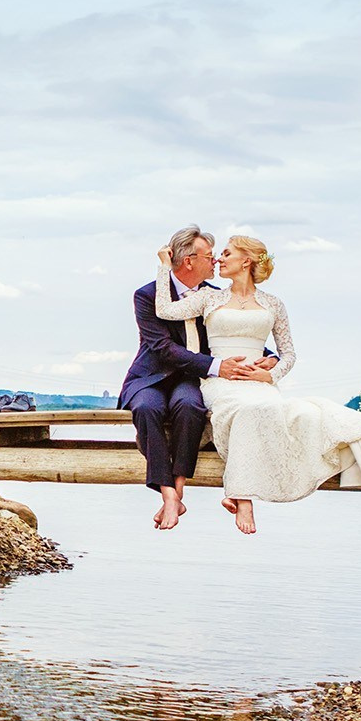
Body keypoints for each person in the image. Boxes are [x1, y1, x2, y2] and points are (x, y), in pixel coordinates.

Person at [151, 235, 361, 534]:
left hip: (259, 383)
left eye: (227, 254)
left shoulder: (273, 304)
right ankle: (242, 498)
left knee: (293, 413)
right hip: (220, 381)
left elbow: (288, 353)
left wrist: (271, 374)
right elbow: (164, 310)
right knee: (244, 409)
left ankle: (241, 491)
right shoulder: (208, 298)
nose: (219, 259)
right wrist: (164, 267)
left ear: (246, 261)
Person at [117, 226, 266, 531]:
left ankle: (180, 487)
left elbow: (237, 332)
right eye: (210, 256)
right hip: (151, 375)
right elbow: (162, 348)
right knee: (147, 409)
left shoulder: (214, 295)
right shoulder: (147, 295)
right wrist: (216, 365)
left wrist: (271, 357)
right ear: (188, 261)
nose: (215, 262)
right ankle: (168, 494)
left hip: (192, 379)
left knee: (190, 408)